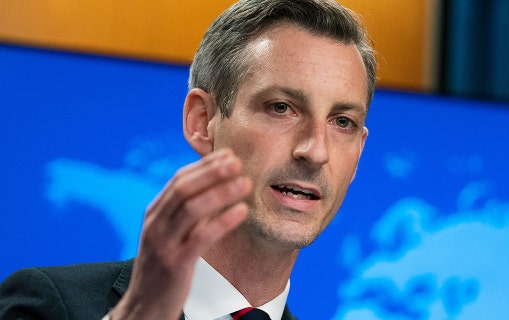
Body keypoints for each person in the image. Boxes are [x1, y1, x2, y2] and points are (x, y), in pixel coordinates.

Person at [0, 0, 377, 319]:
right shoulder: (48, 304)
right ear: (202, 122)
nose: (315, 150)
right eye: (281, 108)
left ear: (359, 152)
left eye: (342, 122)